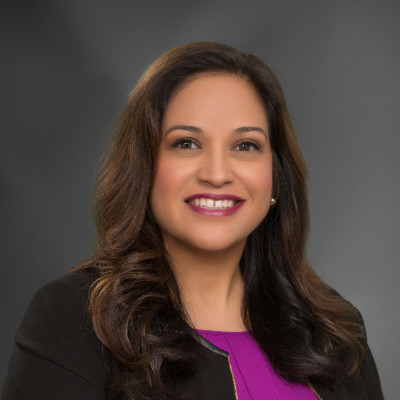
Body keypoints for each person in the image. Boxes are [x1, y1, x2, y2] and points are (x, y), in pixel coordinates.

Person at [2, 42, 384, 400]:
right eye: (186, 143)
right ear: (145, 168)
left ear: (275, 177)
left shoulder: (336, 331)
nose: (216, 174)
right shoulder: (74, 319)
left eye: (245, 145)